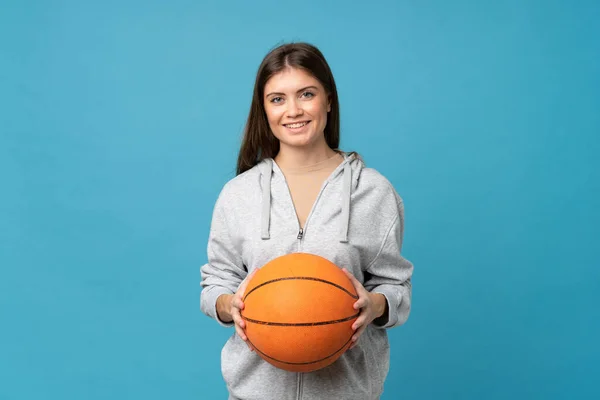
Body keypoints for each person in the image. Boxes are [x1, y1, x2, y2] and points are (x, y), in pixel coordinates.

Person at [200, 42, 414, 400]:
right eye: (278, 99)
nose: (294, 110)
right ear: (264, 109)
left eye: (306, 94)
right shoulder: (238, 194)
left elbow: (397, 287)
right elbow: (216, 281)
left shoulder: (374, 192)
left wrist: (374, 304)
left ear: (328, 100)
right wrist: (228, 303)